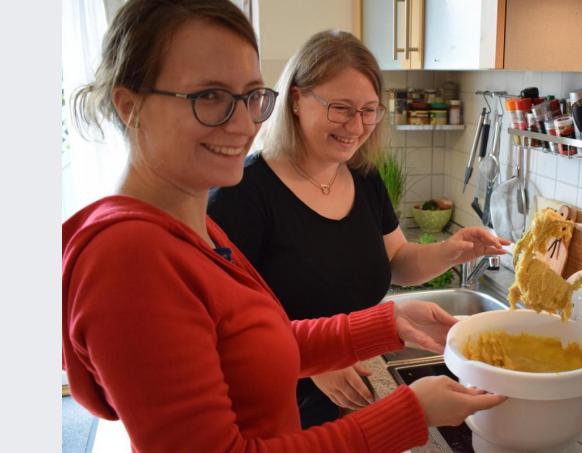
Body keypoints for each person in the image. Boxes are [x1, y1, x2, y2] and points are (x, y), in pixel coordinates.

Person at [62, 1, 506, 452]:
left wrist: (387, 321)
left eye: (250, 96)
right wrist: (410, 412)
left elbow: (252, 346)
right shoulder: (130, 259)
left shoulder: (193, 229)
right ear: (129, 106)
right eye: (209, 96)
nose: (242, 123)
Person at [207, 29, 511, 428]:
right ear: (297, 100)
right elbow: (224, 331)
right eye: (341, 108)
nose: (357, 125)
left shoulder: (363, 177)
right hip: (278, 404)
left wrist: (456, 250)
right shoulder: (241, 193)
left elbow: (399, 262)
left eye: (369, 110)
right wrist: (308, 361)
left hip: (359, 386)